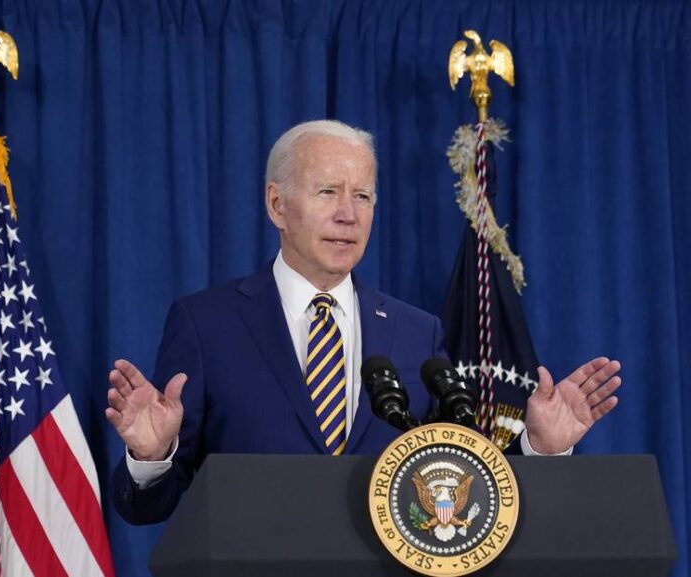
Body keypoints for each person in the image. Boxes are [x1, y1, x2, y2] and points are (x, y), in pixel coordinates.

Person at [105, 120, 621, 525]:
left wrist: (539, 449)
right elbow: (150, 510)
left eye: (364, 196)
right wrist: (152, 456)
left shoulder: (418, 333)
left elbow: (463, 488)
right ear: (277, 204)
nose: (348, 215)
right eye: (328, 192)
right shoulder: (206, 323)